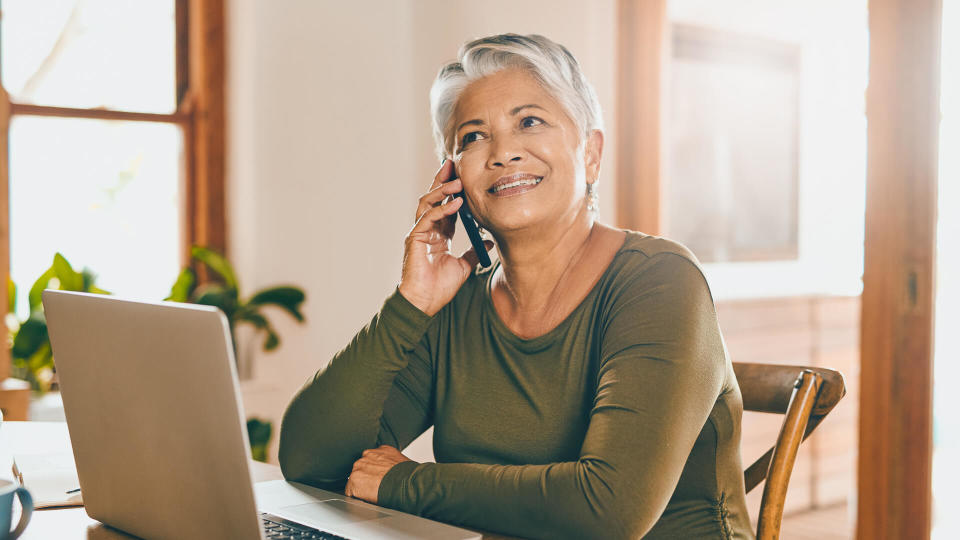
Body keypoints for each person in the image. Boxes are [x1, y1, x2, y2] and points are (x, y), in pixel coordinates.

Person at [279, 33, 754, 539]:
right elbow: (312, 462)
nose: (503, 152)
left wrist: (405, 483)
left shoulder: (659, 280)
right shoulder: (458, 303)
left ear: (590, 153)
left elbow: (609, 510)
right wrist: (411, 303)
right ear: (452, 178)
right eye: (472, 137)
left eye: (529, 121)